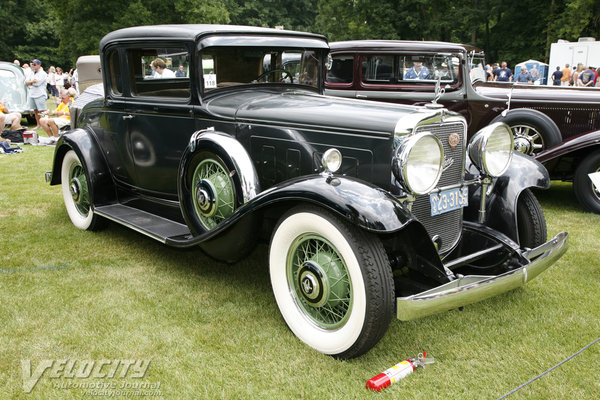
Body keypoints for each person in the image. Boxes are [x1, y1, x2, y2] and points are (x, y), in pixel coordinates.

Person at [24, 59, 48, 129]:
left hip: (40, 94)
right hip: (32, 94)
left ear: (39, 65)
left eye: (34, 64)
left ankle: (47, 124)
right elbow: (26, 82)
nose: (32, 66)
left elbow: (37, 83)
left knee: (43, 110)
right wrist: (32, 82)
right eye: (32, 64)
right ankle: (38, 125)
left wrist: (31, 83)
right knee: (35, 110)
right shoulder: (31, 73)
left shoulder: (43, 73)